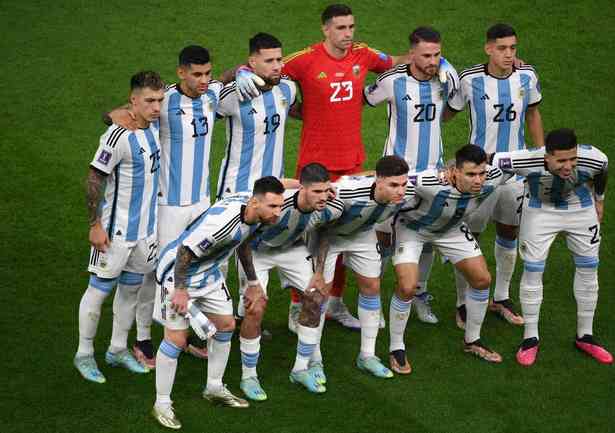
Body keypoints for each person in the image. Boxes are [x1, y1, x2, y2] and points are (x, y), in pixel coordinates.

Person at [236, 4, 417, 330]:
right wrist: (241, 73)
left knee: (346, 234)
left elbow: (395, 61)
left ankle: (334, 302)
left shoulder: (363, 54)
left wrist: (430, 60)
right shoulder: (305, 59)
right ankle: (298, 306)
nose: (347, 34)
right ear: (325, 30)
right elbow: (270, 72)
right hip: (316, 167)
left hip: (352, 164)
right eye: (340, 28)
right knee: (309, 237)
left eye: (351, 27)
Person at [108, 45, 225, 362]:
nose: (203, 80)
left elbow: (227, 80)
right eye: (196, 74)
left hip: (201, 202)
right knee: (154, 272)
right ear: (181, 73)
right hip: (168, 205)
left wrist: (240, 71)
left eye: (207, 73)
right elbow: (121, 114)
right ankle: (144, 338)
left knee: (197, 267)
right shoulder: (166, 100)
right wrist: (114, 116)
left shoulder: (213, 95)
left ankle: (183, 334)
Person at [151, 177, 285, 429]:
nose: (278, 212)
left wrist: (254, 281)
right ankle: (161, 403)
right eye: (274, 207)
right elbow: (185, 252)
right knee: (176, 340)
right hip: (178, 274)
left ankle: (214, 387)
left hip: (209, 272)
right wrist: (180, 290)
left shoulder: (257, 211)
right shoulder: (220, 225)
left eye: (280, 206)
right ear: (255, 202)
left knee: (225, 326)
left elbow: (242, 241)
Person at [446, 23, 544, 328]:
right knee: (470, 236)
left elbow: (533, 114)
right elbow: (447, 113)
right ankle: (462, 302)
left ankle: (501, 296)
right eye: (501, 48)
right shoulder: (469, 79)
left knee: (508, 232)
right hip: (481, 175)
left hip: (515, 173)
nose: (508, 54)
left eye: (512, 48)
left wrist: (539, 158)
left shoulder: (526, 76)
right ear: (488, 48)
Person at [490, 128, 613, 366]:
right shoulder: (525, 158)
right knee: (533, 269)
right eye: (561, 160)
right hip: (539, 209)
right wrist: (451, 171)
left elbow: (602, 171)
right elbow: (490, 159)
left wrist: (599, 200)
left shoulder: (595, 157)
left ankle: (585, 336)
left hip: (580, 207)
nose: (568, 166)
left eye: (572, 159)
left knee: (589, 269)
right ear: (547, 156)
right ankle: (530, 338)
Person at [364, 26, 460, 324]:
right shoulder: (392, 81)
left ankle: (419, 292)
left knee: (427, 236)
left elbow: (452, 110)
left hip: (433, 173)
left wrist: (448, 73)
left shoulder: (446, 80)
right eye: (426, 55)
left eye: (437, 55)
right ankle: (373, 302)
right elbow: (363, 101)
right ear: (412, 54)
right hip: (395, 174)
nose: (433, 61)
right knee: (382, 237)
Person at [74, 71, 165, 383]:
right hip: (115, 232)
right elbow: (93, 179)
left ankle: (116, 349)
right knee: (98, 291)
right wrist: (95, 224)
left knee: (131, 289)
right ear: (133, 101)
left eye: (160, 100)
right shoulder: (117, 136)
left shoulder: (155, 129)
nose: (156, 107)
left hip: (146, 232)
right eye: (149, 101)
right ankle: (84, 354)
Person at [389, 144, 512, 374]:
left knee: (482, 279)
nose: (478, 180)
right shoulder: (429, 181)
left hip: (452, 230)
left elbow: (529, 159)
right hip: (413, 230)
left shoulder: (494, 177)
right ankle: (396, 348)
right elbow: (388, 179)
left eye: (481, 173)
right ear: (454, 171)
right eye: (471, 174)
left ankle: (472, 341)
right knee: (407, 287)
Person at [236, 163, 344, 399]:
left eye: (325, 190)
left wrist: (319, 271)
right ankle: (248, 376)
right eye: (315, 191)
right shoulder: (278, 204)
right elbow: (242, 239)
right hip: (256, 250)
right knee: (255, 308)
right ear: (302, 189)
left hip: (291, 248)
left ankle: (301, 368)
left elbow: (325, 231)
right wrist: (253, 282)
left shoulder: (331, 206)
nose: (322, 197)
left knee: (316, 297)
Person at [317, 155, 413, 380]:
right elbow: (318, 206)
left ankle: (367, 355)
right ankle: (313, 359)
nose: (400, 191)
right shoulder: (345, 192)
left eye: (403, 184)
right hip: (328, 236)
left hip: (362, 234)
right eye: (393, 185)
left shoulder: (406, 191)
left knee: (371, 286)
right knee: (320, 293)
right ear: (378, 182)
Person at [215, 33, 297, 198]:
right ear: (252, 62)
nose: (277, 66)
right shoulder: (235, 93)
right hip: (238, 189)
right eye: (269, 61)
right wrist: (237, 71)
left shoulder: (288, 88)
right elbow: (204, 106)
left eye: (279, 60)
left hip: (275, 187)